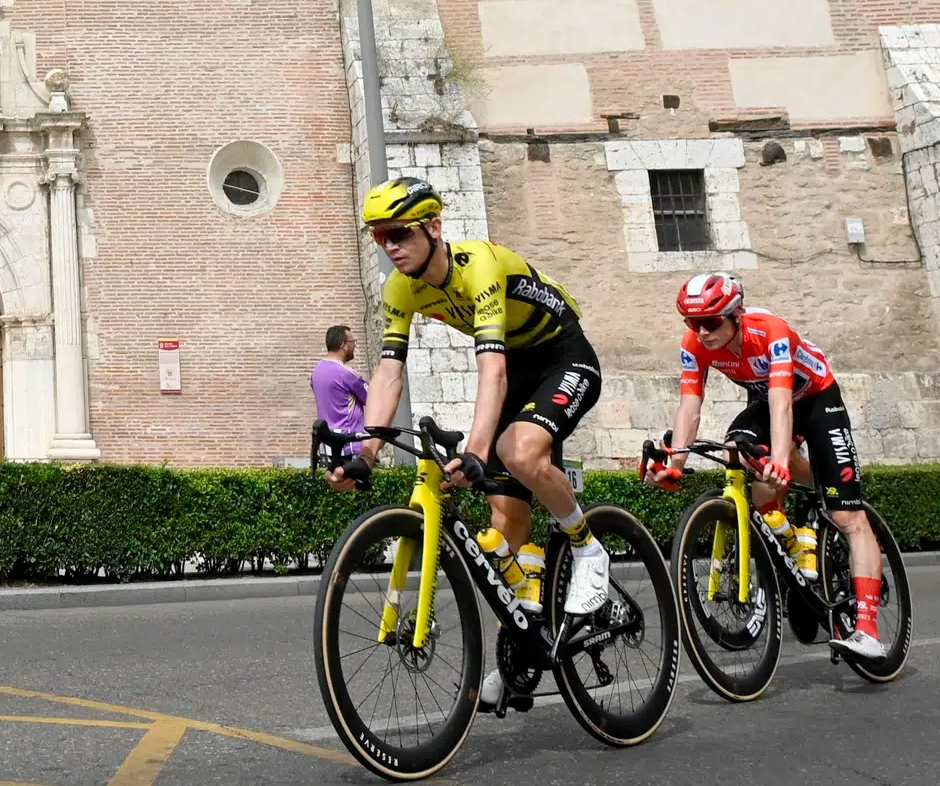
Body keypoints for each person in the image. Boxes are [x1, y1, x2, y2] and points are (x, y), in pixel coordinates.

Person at [326, 176, 609, 710]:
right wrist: (366, 452)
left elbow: (492, 374)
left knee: (517, 452)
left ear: (434, 227)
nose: (390, 246)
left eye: (400, 233)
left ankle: (587, 545)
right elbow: (388, 373)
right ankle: (524, 647)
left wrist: (477, 450)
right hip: (516, 368)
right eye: (379, 237)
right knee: (505, 523)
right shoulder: (400, 288)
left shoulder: (478, 265)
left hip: (560, 356)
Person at [643, 273, 885, 660]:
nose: (701, 332)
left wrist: (780, 460)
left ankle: (869, 632)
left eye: (710, 323)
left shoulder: (770, 332)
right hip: (768, 399)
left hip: (817, 399)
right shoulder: (695, 345)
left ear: (735, 314)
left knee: (846, 516)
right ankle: (791, 536)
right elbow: (690, 405)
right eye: (691, 322)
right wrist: (676, 462)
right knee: (735, 452)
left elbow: (782, 403)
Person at [311, 325, 368, 459]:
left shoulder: (316, 372)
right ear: (343, 345)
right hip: (348, 444)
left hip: (327, 446)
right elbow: (372, 398)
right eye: (353, 342)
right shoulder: (346, 373)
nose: (354, 346)